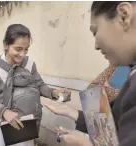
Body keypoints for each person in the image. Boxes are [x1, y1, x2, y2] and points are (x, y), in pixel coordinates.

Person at [43, 1, 136, 146]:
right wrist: (72, 113)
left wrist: (85, 144)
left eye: (95, 31)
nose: (96, 46)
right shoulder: (124, 65)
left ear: (124, 15)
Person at [0, 24, 71, 146]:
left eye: (26, 49)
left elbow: (39, 85)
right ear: (6, 45)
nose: (22, 54)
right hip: (3, 122)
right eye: (18, 49)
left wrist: (55, 93)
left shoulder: (29, 64)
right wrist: (4, 112)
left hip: (27, 122)